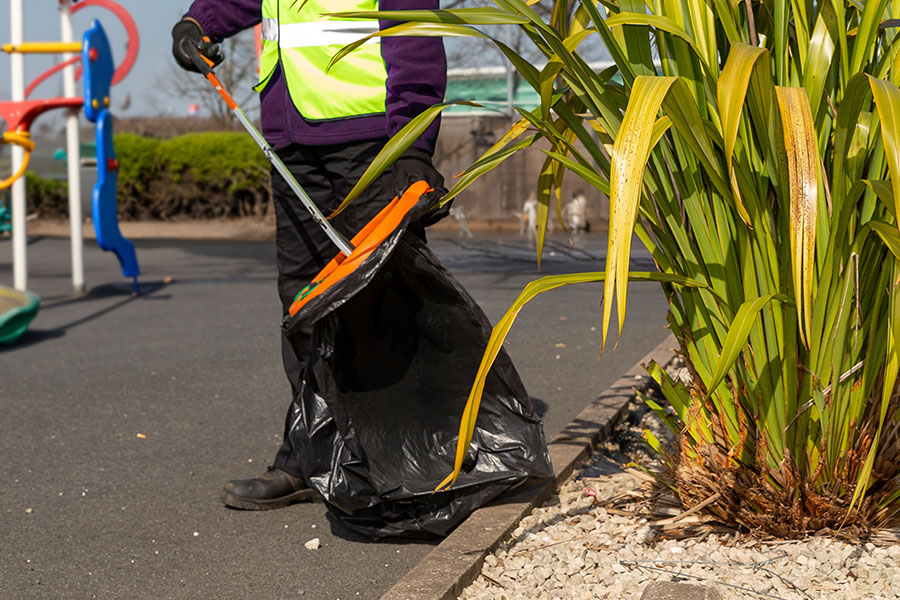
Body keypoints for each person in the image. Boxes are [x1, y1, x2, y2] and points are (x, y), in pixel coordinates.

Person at [171, 0, 447, 510]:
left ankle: (413, 463)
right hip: (291, 139)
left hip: (371, 139)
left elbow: (415, 34)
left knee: (384, 301)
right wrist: (200, 22)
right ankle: (309, 458)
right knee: (302, 303)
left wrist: (412, 144)